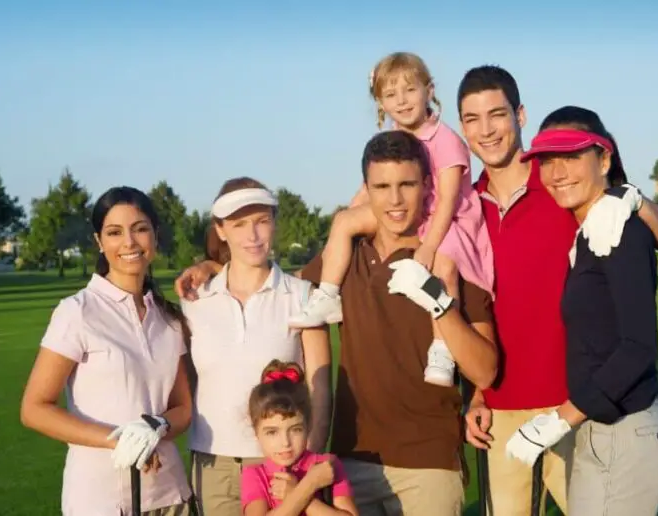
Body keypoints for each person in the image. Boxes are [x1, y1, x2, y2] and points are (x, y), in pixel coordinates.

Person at [457, 66, 658, 516]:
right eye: (472, 119)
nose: (486, 130)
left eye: (497, 114)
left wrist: (634, 199)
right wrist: (478, 394)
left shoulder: (568, 188)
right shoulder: (466, 206)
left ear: (520, 115)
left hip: (577, 406)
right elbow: (477, 306)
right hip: (504, 411)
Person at [295, 130, 497, 515]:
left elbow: (485, 371)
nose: (395, 200)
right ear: (366, 190)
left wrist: (440, 304)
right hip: (351, 459)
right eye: (382, 186)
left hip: (431, 462)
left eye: (406, 184)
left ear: (426, 185)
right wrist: (210, 267)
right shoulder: (343, 258)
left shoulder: (449, 258)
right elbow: (276, 293)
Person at [504, 105, 658, 515]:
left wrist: (558, 420)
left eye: (571, 158)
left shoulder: (619, 228)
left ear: (604, 159)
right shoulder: (590, 231)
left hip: (628, 431)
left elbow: (638, 347)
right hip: (601, 429)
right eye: (548, 162)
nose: (557, 173)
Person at [287, 51, 494, 389]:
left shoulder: (446, 141)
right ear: (381, 103)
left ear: (429, 91)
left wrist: (427, 248)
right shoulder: (398, 140)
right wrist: (350, 216)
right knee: (343, 220)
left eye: (409, 90)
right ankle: (327, 296)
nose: (402, 101)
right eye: (390, 94)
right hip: (417, 211)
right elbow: (367, 191)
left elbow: (448, 202)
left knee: (444, 268)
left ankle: (441, 348)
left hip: (449, 220)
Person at [20, 186, 193, 515]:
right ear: (100, 242)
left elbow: (182, 408)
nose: (129, 242)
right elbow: (34, 408)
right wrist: (119, 438)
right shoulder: (78, 312)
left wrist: (155, 427)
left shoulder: (169, 319)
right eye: (114, 232)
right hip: (99, 499)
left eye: (140, 229)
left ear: (155, 235)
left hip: (169, 495)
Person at [180, 177, 332, 516]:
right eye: (239, 224)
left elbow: (320, 386)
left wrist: (307, 462)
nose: (252, 236)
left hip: (280, 463)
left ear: (275, 223)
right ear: (220, 230)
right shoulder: (195, 300)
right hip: (212, 463)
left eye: (262, 221)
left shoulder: (302, 295)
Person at [240, 359, 358, 515]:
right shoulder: (254, 475)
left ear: (308, 425)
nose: (285, 442)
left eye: (295, 430)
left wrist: (298, 493)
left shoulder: (326, 466)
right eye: (272, 432)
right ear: (256, 432)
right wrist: (308, 486)